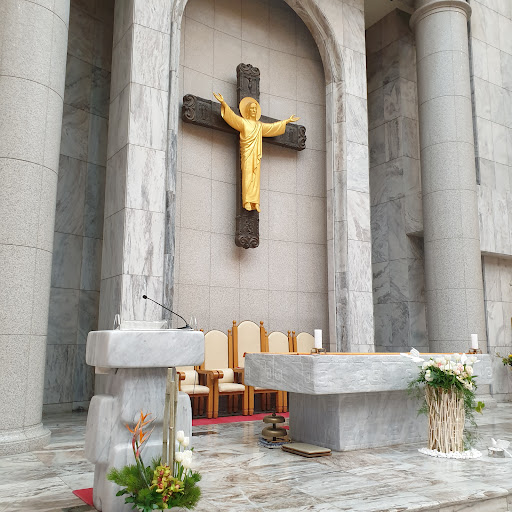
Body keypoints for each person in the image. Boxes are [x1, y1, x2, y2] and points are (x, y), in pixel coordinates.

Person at [213, 92, 299, 213]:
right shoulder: (243, 123)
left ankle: (255, 202)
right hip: (247, 154)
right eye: (252, 108)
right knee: (247, 176)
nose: (254, 110)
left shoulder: (259, 126)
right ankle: (247, 201)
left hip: (256, 155)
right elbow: (232, 118)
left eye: (255, 109)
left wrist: (287, 121)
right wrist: (223, 103)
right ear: (248, 111)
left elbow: (272, 127)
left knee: (255, 178)